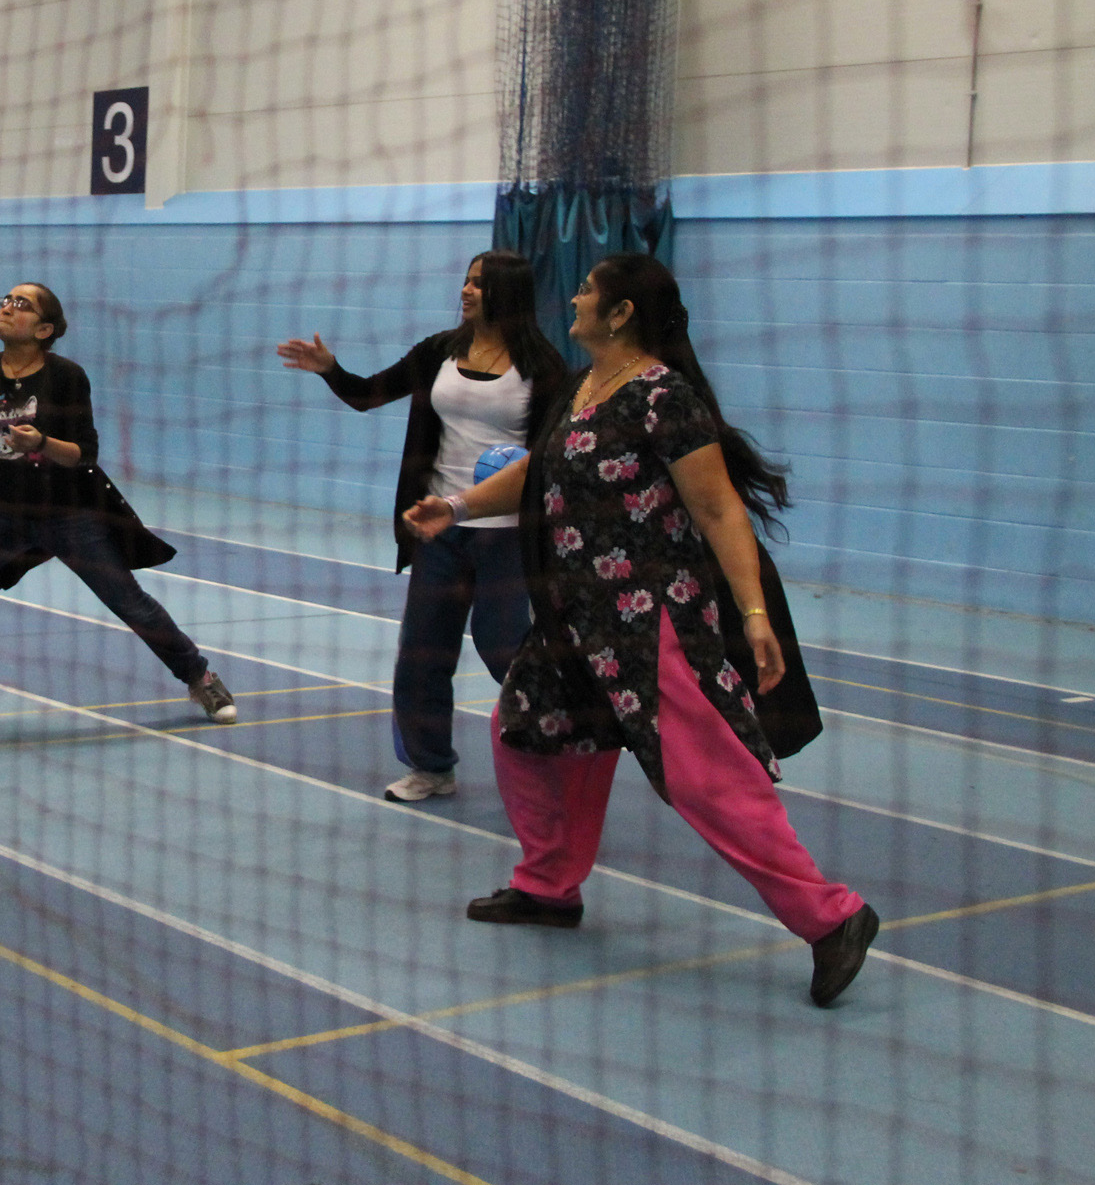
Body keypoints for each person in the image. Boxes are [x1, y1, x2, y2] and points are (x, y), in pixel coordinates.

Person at [405, 252, 877, 1008]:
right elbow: (539, 470)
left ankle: (832, 918)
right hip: (573, 618)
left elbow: (722, 510)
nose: (577, 298)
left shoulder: (664, 396)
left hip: (647, 620)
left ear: (621, 313)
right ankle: (549, 886)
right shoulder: (585, 387)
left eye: (589, 290)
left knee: (705, 779)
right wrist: (457, 507)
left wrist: (753, 617)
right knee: (525, 732)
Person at [278, 251, 566, 802]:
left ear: (507, 292)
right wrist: (330, 370)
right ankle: (431, 765)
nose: (467, 290)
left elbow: (551, 456)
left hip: (504, 529)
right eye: (466, 280)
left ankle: (560, 738)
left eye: (479, 284)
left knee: (504, 645)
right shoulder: (441, 350)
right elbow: (368, 395)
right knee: (423, 651)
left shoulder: (544, 368)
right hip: (435, 522)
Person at [0, 283, 236, 769]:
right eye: (4, 299)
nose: (6, 307)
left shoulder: (67, 377)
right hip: (0, 514)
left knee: (130, 602)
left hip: (68, 515)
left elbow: (83, 454)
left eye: (21, 305)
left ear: (44, 330)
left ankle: (201, 679)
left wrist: (42, 441)